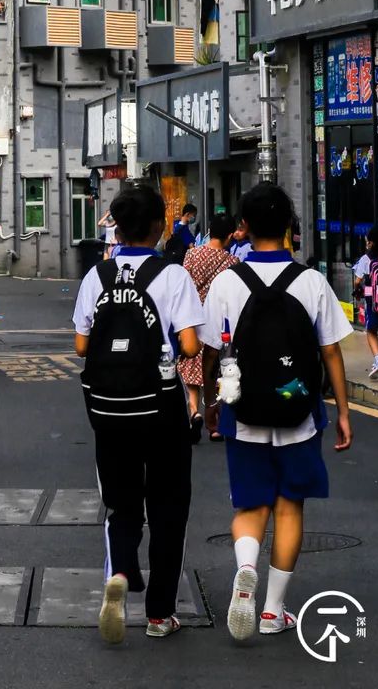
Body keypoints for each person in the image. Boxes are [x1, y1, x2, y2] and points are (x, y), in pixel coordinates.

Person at [201, 182, 352, 641]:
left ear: (243, 228)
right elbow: (330, 354)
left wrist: (212, 403)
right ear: (289, 225)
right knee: (289, 508)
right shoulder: (311, 281)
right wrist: (343, 411)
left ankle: (245, 569)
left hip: (242, 409)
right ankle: (272, 610)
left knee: (250, 504)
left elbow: (210, 353)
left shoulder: (228, 282)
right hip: (299, 412)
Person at [73, 181, 204, 643]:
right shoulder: (172, 274)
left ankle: (122, 572)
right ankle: (159, 613)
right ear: (159, 226)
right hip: (161, 404)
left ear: (118, 227)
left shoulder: (97, 276)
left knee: (120, 502)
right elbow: (189, 343)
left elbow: (81, 344)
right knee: (169, 507)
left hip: (108, 407)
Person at [177, 212, 237, 443]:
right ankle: (216, 425)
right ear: (230, 235)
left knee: (192, 371)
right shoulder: (232, 262)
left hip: (193, 321)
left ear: (210, 230)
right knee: (216, 373)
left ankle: (194, 411)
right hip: (219, 323)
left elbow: (185, 287)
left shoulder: (192, 254)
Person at [353, 227, 378, 379]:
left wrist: (357, 289)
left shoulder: (366, 259)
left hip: (373, 301)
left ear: (371, 243)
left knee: (371, 331)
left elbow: (357, 281)